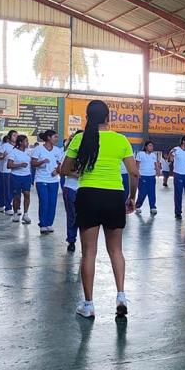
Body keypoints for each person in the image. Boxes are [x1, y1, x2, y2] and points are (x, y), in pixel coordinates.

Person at [61, 100, 139, 318]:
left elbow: (64, 169)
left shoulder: (80, 139)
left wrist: (81, 170)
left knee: (89, 253)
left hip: (88, 196)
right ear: (108, 118)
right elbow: (134, 173)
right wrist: (131, 197)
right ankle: (121, 296)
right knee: (116, 250)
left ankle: (88, 305)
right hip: (114, 196)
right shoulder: (120, 140)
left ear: (88, 117)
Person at [31, 130, 63, 234]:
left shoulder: (57, 150)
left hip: (53, 180)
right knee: (44, 201)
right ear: (49, 138)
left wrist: (57, 171)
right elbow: (33, 163)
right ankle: (43, 224)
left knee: (52, 202)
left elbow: (60, 163)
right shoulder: (38, 149)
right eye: (55, 137)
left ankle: (49, 224)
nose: (57, 139)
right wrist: (42, 162)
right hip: (41, 179)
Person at [62, 131, 82, 252]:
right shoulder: (69, 154)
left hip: (86, 189)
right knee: (72, 216)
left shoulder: (92, 154)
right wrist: (74, 174)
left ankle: (86, 242)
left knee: (85, 217)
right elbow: (62, 170)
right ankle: (71, 240)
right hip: (71, 188)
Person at [7, 135, 33, 225]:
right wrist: (20, 165)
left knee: (27, 194)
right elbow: (9, 165)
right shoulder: (13, 152)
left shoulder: (29, 152)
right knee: (17, 196)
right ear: (21, 142)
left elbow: (33, 162)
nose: (28, 143)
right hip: (16, 176)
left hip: (27, 176)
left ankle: (25, 214)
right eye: (26, 141)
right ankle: (15, 213)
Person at [135, 141, 159, 215]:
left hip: (152, 176)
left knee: (152, 192)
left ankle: (153, 207)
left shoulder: (153, 155)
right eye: (150, 146)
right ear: (146, 147)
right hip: (143, 176)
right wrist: (137, 173)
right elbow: (137, 165)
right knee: (142, 193)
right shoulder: (140, 154)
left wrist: (158, 171)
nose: (151, 147)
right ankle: (137, 206)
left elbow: (155, 164)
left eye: (152, 146)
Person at [0, 131, 18, 215]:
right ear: (9, 137)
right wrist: (3, 156)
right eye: (14, 135)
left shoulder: (18, 147)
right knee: (7, 190)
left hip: (16, 171)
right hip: (6, 170)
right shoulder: (5, 146)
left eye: (17, 135)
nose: (16, 137)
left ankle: (16, 206)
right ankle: (8, 207)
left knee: (14, 190)